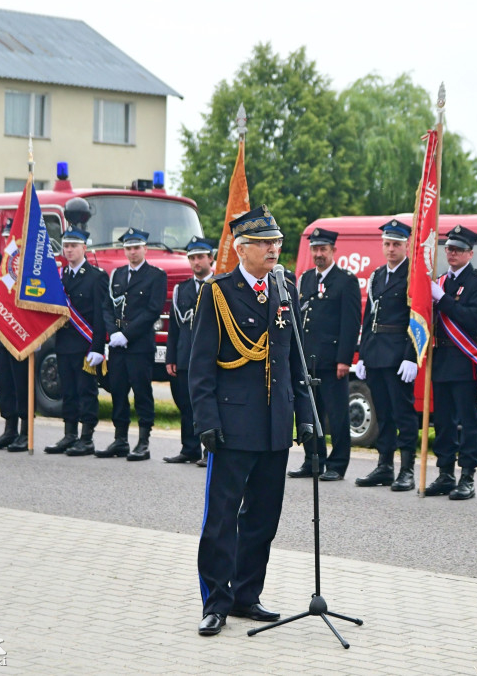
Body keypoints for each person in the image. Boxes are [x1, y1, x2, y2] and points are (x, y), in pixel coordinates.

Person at [189, 205, 313, 636]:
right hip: (231, 426)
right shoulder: (218, 293)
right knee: (221, 519)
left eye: (277, 242)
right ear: (241, 249)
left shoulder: (284, 287)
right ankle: (216, 602)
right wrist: (205, 419)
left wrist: (308, 421)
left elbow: (294, 360)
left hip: (274, 426)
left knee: (263, 518)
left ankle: (246, 595)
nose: (273, 249)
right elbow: (201, 365)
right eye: (264, 243)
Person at [288, 228, 361, 481]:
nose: (319, 254)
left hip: (332, 361)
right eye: (315, 249)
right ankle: (313, 459)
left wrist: (344, 359)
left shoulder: (345, 281)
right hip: (309, 359)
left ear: (333, 251)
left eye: (323, 250)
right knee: (310, 412)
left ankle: (338, 464)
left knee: (337, 415)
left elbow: (350, 324)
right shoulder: (306, 279)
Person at [425, 226, 477, 500]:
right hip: (441, 359)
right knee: (443, 421)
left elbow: (471, 319)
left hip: (463, 359)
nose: (452, 253)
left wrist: (442, 300)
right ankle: (445, 472)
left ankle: (467, 475)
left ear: (470, 253)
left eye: (459, 250)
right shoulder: (439, 281)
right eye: (450, 248)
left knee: (468, 421)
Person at [354, 220, 419, 491]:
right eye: (387, 244)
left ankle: (406, 469)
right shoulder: (378, 275)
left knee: (402, 412)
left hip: (398, 353)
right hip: (377, 351)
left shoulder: (412, 276)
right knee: (382, 412)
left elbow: (417, 319)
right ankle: (384, 465)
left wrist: (410, 356)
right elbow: (369, 316)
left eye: (396, 244)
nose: (391, 249)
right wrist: (362, 355)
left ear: (406, 245)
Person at [98, 228, 167, 461]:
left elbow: (152, 311)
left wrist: (126, 334)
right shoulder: (117, 275)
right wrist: (113, 332)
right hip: (118, 345)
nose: (132, 252)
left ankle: (144, 442)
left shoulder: (156, 276)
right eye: (128, 248)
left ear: (145, 249)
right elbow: (107, 307)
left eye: (136, 248)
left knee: (142, 392)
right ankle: (120, 439)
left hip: (139, 344)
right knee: (117, 391)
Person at [46, 222, 109, 457]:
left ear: (84, 247)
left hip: (85, 346)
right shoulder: (59, 276)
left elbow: (101, 314)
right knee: (68, 391)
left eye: (73, 246)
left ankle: (86, 437)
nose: (69, 250)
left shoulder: (96, 277)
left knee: (86, 391)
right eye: (65, 246)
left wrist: (98, 347)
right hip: (64, 344)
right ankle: (69, 434)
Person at [164, 236, 215, 467]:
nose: (196, 262)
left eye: (200, 257)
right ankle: (189, 448)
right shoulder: (181, 289)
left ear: (210, 258)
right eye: (192, 257)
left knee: (207, 403)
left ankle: (209, 450)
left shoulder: (219, 286)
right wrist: (171, 357)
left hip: (210, 356)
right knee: (186, 403)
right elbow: (174, 327)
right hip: (185, 355)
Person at [0, 218, 30, 453]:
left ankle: (24, 431)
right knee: (4, 383)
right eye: (4, 235)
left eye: (9, 234)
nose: (6, 239)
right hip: (2, 330)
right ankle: (9, 428)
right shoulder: (3, 263)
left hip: (22, 333)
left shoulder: (32, 265)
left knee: (22, 383)